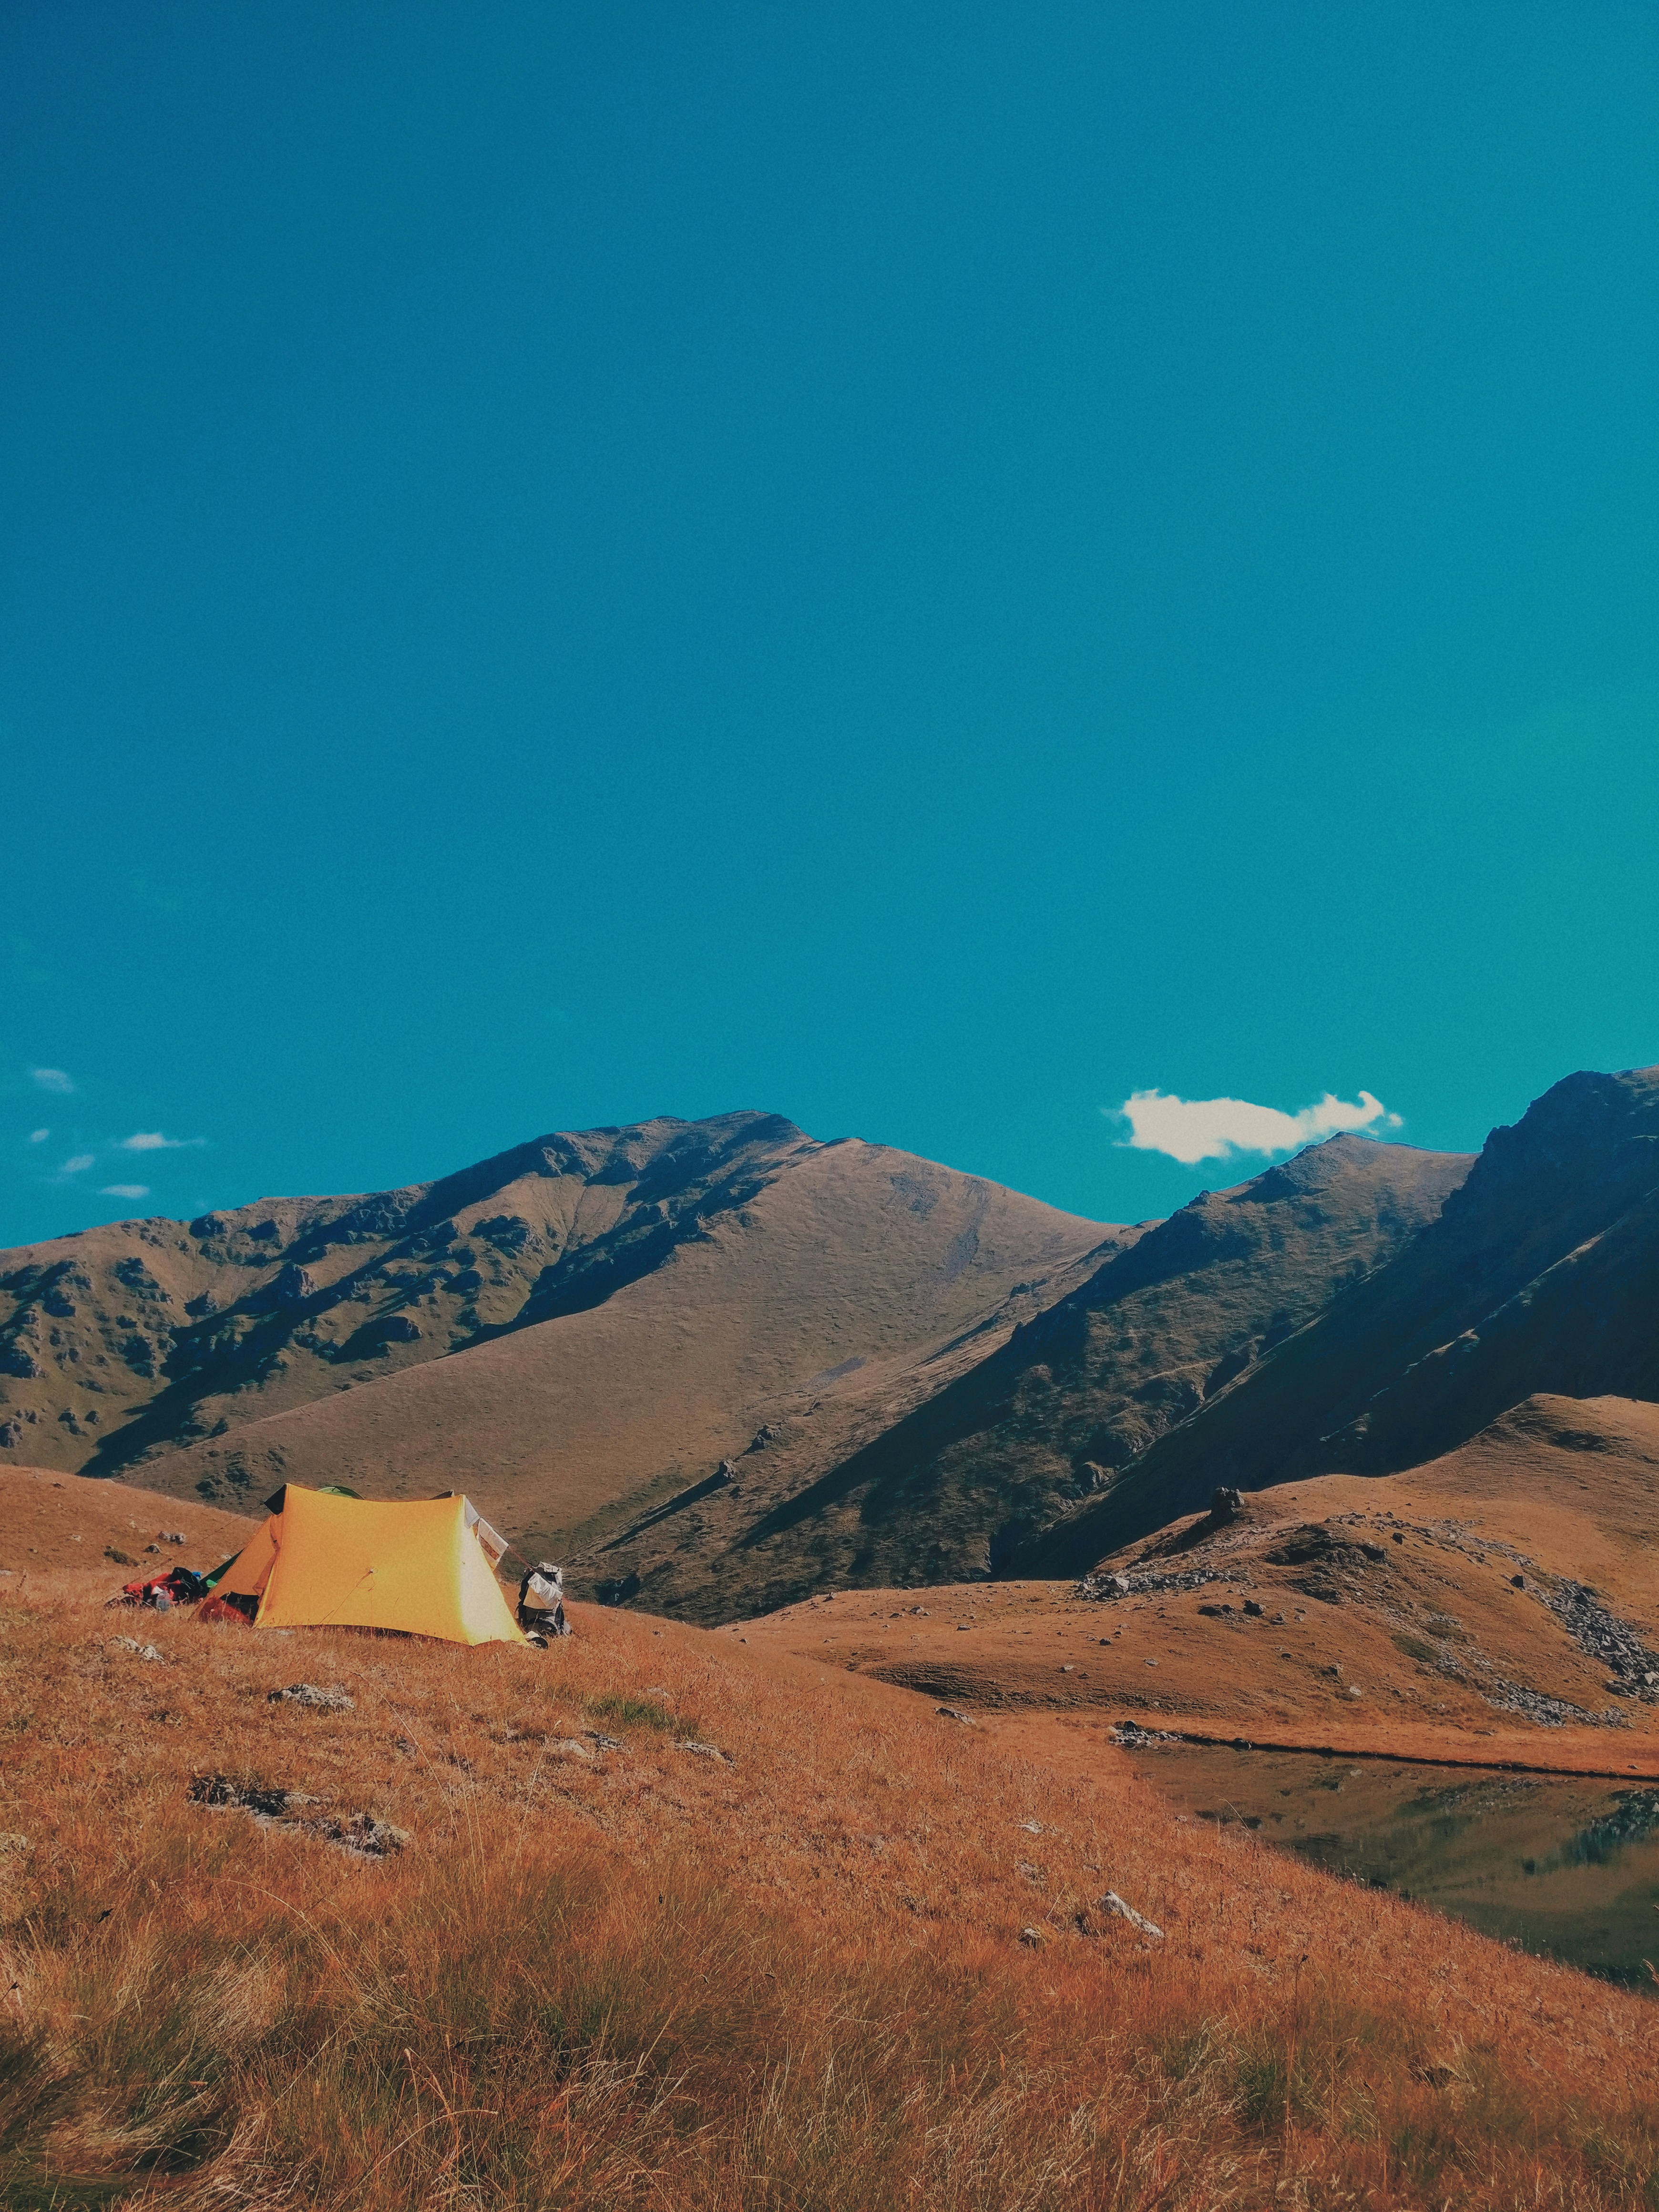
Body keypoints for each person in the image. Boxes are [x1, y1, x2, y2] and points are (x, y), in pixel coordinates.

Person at [517, 1560, 570, 1640]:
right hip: (551, 1626)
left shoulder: (531, 1579)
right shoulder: (555, 1584)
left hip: (529, 1623)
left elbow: (522, 1596)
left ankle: (533, 1634)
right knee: (566, 1626)